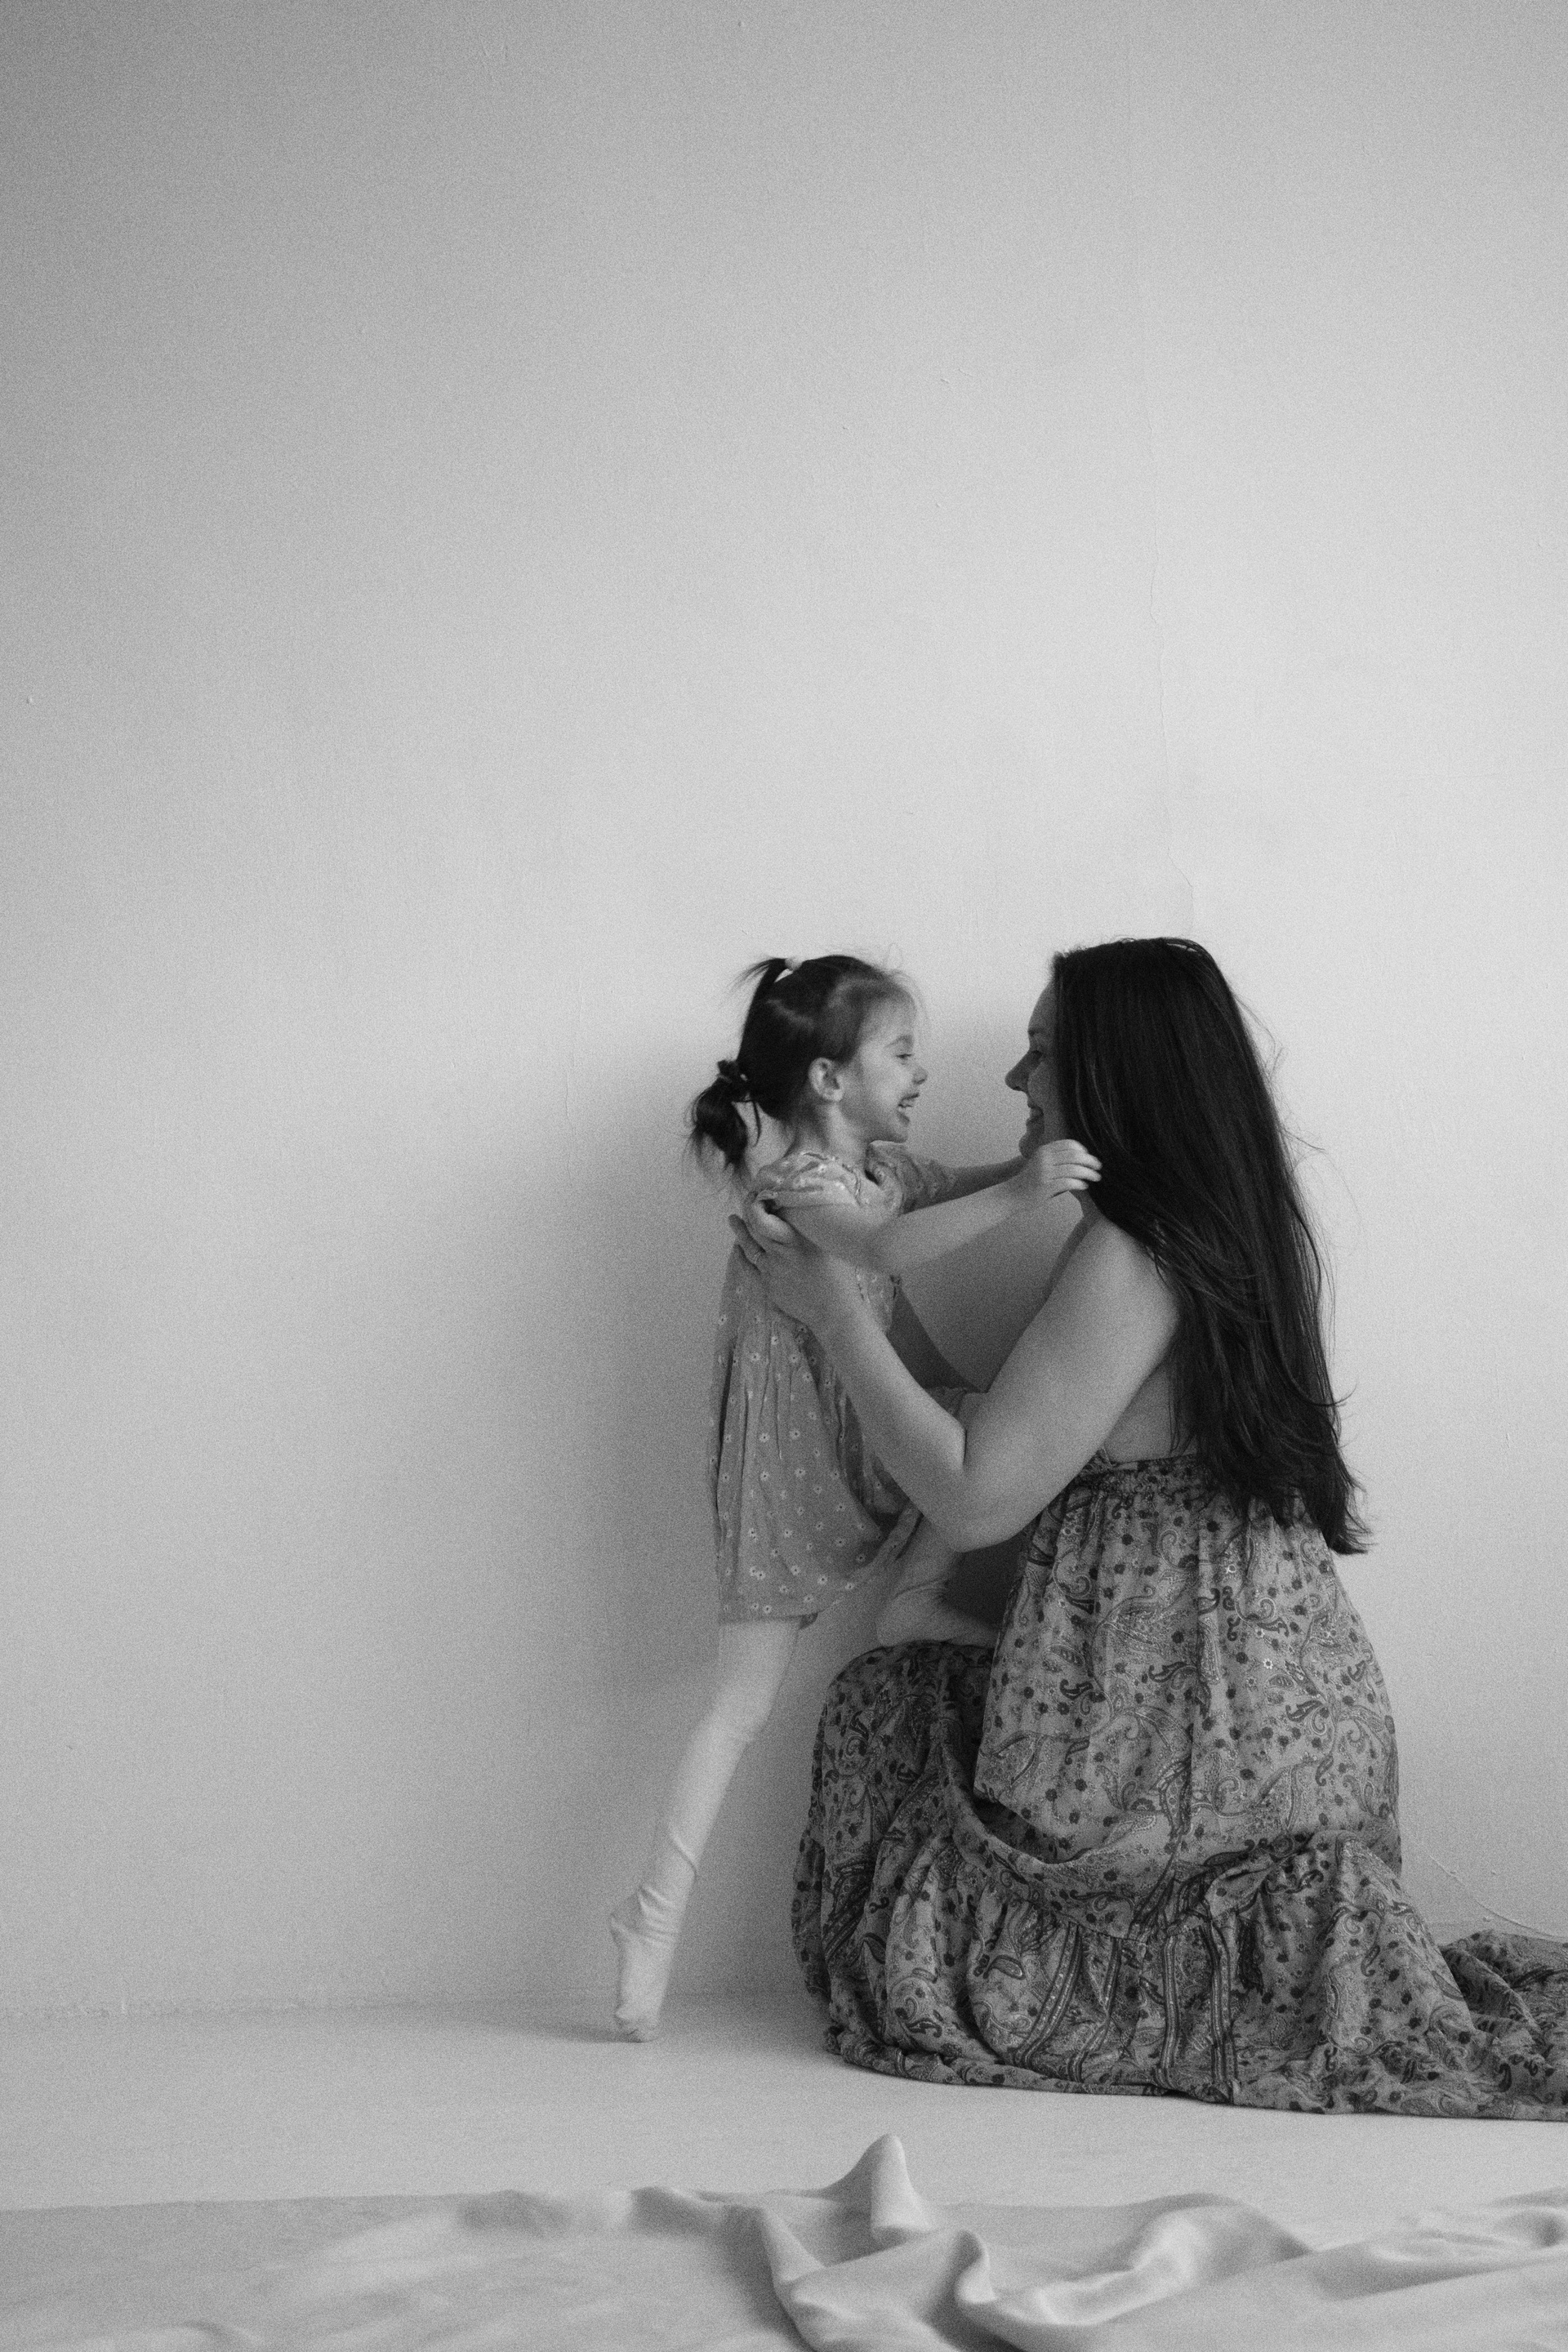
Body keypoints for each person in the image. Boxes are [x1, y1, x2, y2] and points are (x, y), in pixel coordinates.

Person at [734, 938, 1568, 2115]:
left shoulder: (1130, 1255)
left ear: (1115, 1072)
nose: (1016, 1081)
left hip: (1186, 1745)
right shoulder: (1200, 1226)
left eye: (1041, 1054)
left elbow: (976, 1492)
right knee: (902, 1698)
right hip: (1241, 1720)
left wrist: (832, 1315)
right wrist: (871, 1294)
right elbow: (1001, 1415)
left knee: (882, 1719)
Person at [611, 953, 1099, 2040]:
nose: (922, 1074)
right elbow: (882, 1245)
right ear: (830, 1081)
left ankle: (916, 1600)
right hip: (789, 1476)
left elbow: (946, 1191)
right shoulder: (803, 1191)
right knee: (740, 1705)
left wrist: (1039, 1169)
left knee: (982, 1424)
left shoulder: (884, 1173)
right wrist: (1025, 1192)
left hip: (864, 1443)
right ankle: (651, 1916)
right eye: (903, 1054)